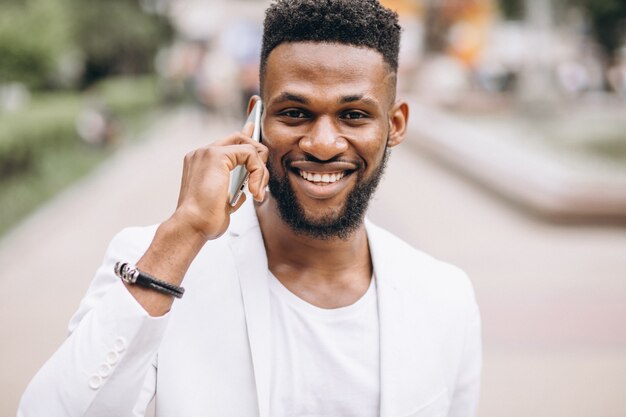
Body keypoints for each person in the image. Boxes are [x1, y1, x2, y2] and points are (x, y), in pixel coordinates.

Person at [18, 1, 481, 416]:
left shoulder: (444, 296)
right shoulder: (158, 261)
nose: (322, 143)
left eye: (354, 115)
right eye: (295, 113)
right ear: (255, 119)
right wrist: (184, 233)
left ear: (394, 124)